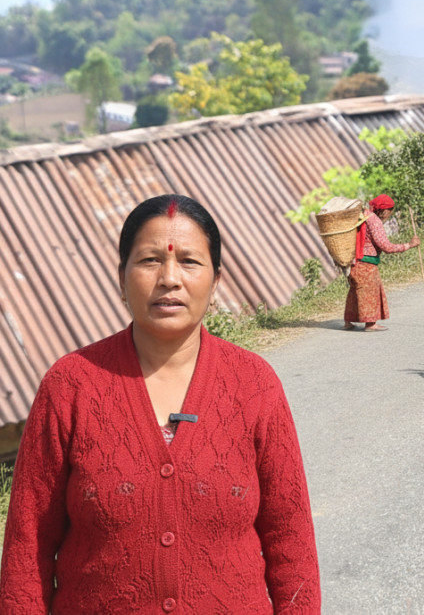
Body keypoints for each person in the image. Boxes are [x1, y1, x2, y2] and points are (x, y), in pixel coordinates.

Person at [0, 194, 320, 613]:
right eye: (150, 260)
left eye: (189, 261)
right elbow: (28, 547)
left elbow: (291, 539)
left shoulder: (254, 385)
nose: (169, 278)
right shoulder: (70, 386)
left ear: (216, 279)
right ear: (121, 277)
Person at [343, 194, 420, 332]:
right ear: (385, 211)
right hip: (366, 263)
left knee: (355, 291)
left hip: (353, 262)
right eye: (389, 212)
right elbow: (386, 246)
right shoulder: (374, 221)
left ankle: (348, 322)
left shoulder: (363, 215)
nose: (388, 216)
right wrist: (409, 245)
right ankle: (370, 324)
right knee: (369, 292)